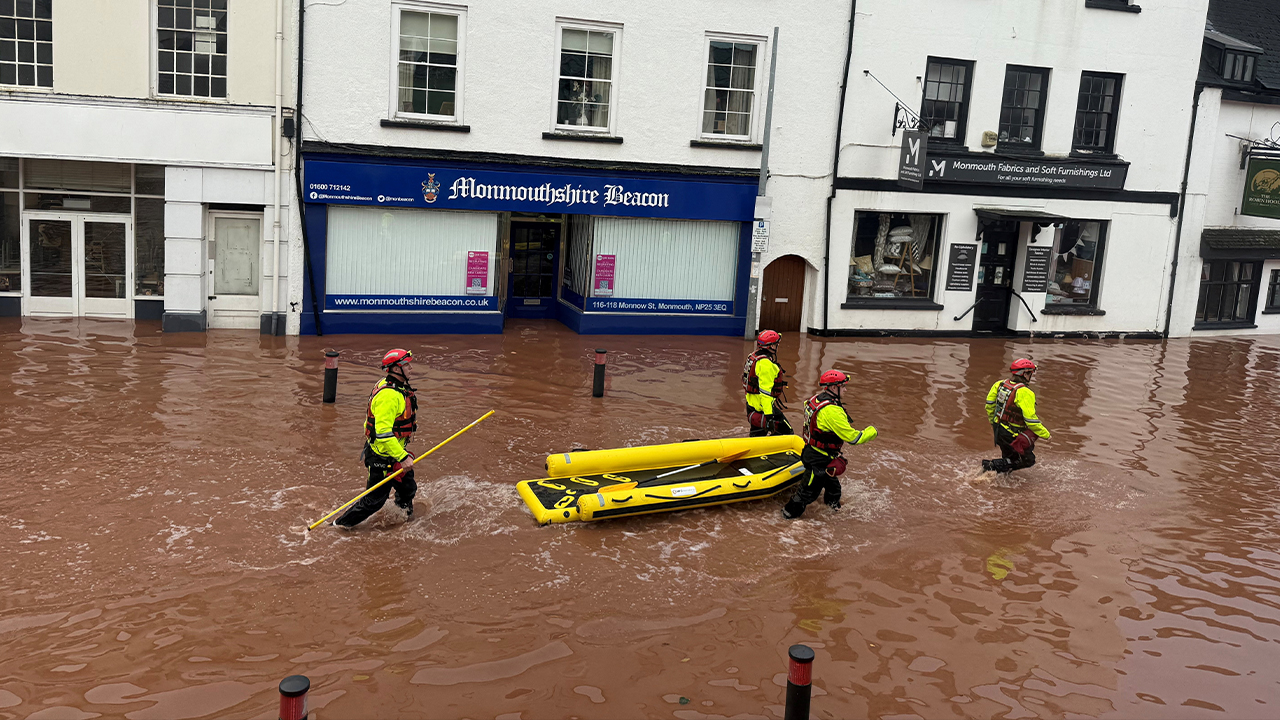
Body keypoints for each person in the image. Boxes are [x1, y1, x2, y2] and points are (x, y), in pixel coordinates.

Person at [335, 349, 419, 528]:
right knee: (373, 501)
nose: (411, 368)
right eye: (406, 365)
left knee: (408, 488)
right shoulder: (389, 395)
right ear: (396, 369)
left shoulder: (396, 386)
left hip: (395, 453)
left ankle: (402, 520)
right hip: (382, 457)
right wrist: (403, 457)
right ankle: (339, 527)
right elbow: (382, 433)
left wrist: (400, 455)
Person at [782, 370, 877, 519]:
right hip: (818, 458)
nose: (846, 389)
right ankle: (785, 519)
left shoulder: (814, 400)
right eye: (843, 386)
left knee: (834, 489)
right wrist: (873, 431)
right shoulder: (832, 411)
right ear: (834, 388)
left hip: (815, 452)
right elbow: (854, 438)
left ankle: (832, 515)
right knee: (806, 494)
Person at [982, 358, 1051, 474]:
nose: (1031, 376)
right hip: (1012, 434)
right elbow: (1030, 420)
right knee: (1028, 460)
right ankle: (990, 466)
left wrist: (993, 423)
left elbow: (989, 405)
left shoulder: (999, 384)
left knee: (1008, 459)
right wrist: (1046, 435)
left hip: (998, 429)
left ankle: (998, 481)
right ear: (1025, 374)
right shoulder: (1025, 392)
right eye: (1031, 373)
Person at [742, 330, 792, 437]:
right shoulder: (766, 365)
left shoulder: (753, 356)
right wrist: (769, 416)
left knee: (757, 435)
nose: (777, 346)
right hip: (762, 408)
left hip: (751, 405)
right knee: (787, 432)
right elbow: (765, 393)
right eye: (775, 344)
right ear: (770, 347)